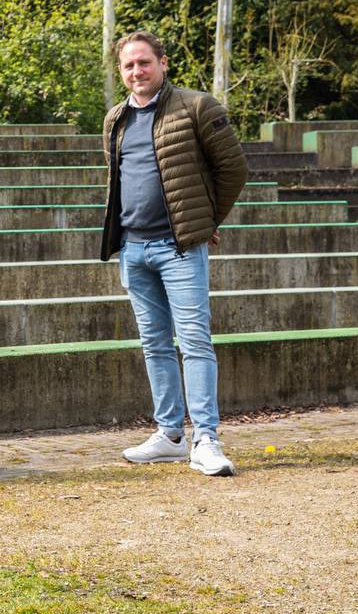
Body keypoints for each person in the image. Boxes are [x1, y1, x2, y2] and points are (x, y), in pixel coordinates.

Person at [100, 31, 248, 476]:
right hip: (133, 248)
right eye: (128, 66)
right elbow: (117, 181)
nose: (136, 72)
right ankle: (169, 435)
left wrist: (205, 222)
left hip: (179, 248)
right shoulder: (115, 119)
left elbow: (234, 169)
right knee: (155, 345)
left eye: (144, 62)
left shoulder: (197, 107)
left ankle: (206, 439)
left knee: (196, 342)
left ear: (163, 63)